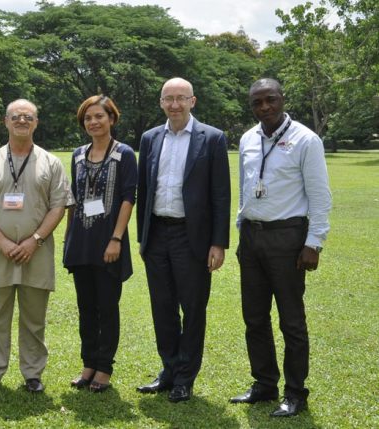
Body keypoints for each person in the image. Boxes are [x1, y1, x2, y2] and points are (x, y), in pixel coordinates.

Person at [230, 78, 331, 417]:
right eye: (257, 102)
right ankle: (264, 383)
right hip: (252, 237)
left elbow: (319, 195)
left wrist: (313, 243)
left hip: (288, 238)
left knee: (291, 320)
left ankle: (296, 392)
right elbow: (245, 186)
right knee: (254, 317)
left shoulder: (306, 140)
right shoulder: (248, 138)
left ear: (282, 99)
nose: (264, 108)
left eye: (270, 100)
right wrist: (241, 226)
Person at [0, 99, 74, 396]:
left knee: (34, 319)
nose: (22, 121)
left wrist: (34, 240)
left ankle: (32, 373)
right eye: (16, 117)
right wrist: (0, 241)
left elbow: (59, 206)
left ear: (36, 122)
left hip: (35, 253)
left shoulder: (50, 162)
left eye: (28, 117)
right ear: (6, 122)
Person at [135, 77, 231, 402]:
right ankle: (168, 369)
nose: (174, 104)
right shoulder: (149, 138)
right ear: (161, 102)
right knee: (162, 307)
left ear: (193, 101)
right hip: (157, 235)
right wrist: (143, 239)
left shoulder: (213, 139)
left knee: (192, 308)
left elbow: (220, 194)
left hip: (193, 238)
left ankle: (185, 377)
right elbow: (144, 191)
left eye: (181, 98)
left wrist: (218, 243)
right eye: (168, 98)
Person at [63, 96, 137, 393]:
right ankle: (88, 363)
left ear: (111, 119)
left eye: (99, 116)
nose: (93, 122)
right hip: (82, 242)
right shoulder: (78, 155)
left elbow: (128, 197)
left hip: (109, 242)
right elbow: (73, 199)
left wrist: (116, 239)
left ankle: (104, 367)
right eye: (87, 118)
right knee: (86, 308)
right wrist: (69, 238)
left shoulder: (124, 154)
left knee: (107, 307)